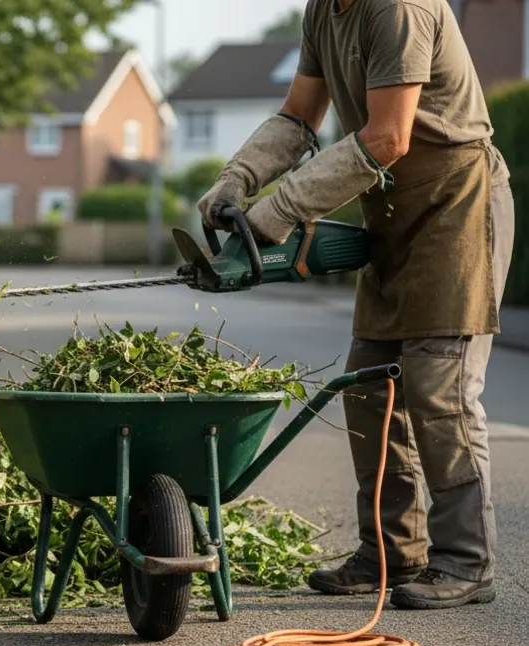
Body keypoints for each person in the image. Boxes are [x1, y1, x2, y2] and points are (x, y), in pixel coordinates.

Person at [197, 0, 513, 609]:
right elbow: (297, 117)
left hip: (457, 204)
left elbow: (389, 136)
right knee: (370, 385)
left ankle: (466, 562)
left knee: (438, 387)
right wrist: (236, 179)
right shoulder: (325, 10)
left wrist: (281, 209)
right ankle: (392, 552)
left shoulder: (397, 7)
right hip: (392, 209)